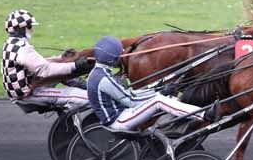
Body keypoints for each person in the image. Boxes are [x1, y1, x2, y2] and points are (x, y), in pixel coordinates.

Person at [87, 36, 217, 131]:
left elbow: (130, 94)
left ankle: (191, 120)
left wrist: (158, 91)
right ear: (113, 59)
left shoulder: (97, 73)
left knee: (168, 98)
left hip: (119, 115)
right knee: (159, 101)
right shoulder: (105, 79)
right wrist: (160, 93)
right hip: (119, 121)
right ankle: (203, 114)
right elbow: (131, 100)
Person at [1, 9, 94, 109]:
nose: (32, 30)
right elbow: (46, 70)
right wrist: (76, 65)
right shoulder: (22, 49)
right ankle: (92, 93)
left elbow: (38, 63)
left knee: (63, 75)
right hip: (29, 94)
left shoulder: (11, 44)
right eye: (30, 26)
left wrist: (60, 58)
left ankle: (88, 87)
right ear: (21, 28)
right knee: (86, 97)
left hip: (27, 87)